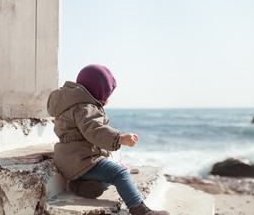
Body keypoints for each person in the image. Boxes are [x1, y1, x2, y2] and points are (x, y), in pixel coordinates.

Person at [47, 64, 169, 215]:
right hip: (81, 161)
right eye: (107, 94)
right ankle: (140, 210)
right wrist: (119, 138)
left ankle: (78, 185)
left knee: (109, 176)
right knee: (119, 174)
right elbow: (95, 131)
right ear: (98, 92)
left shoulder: (69, 104)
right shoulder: (85, 107)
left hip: (68, 160)